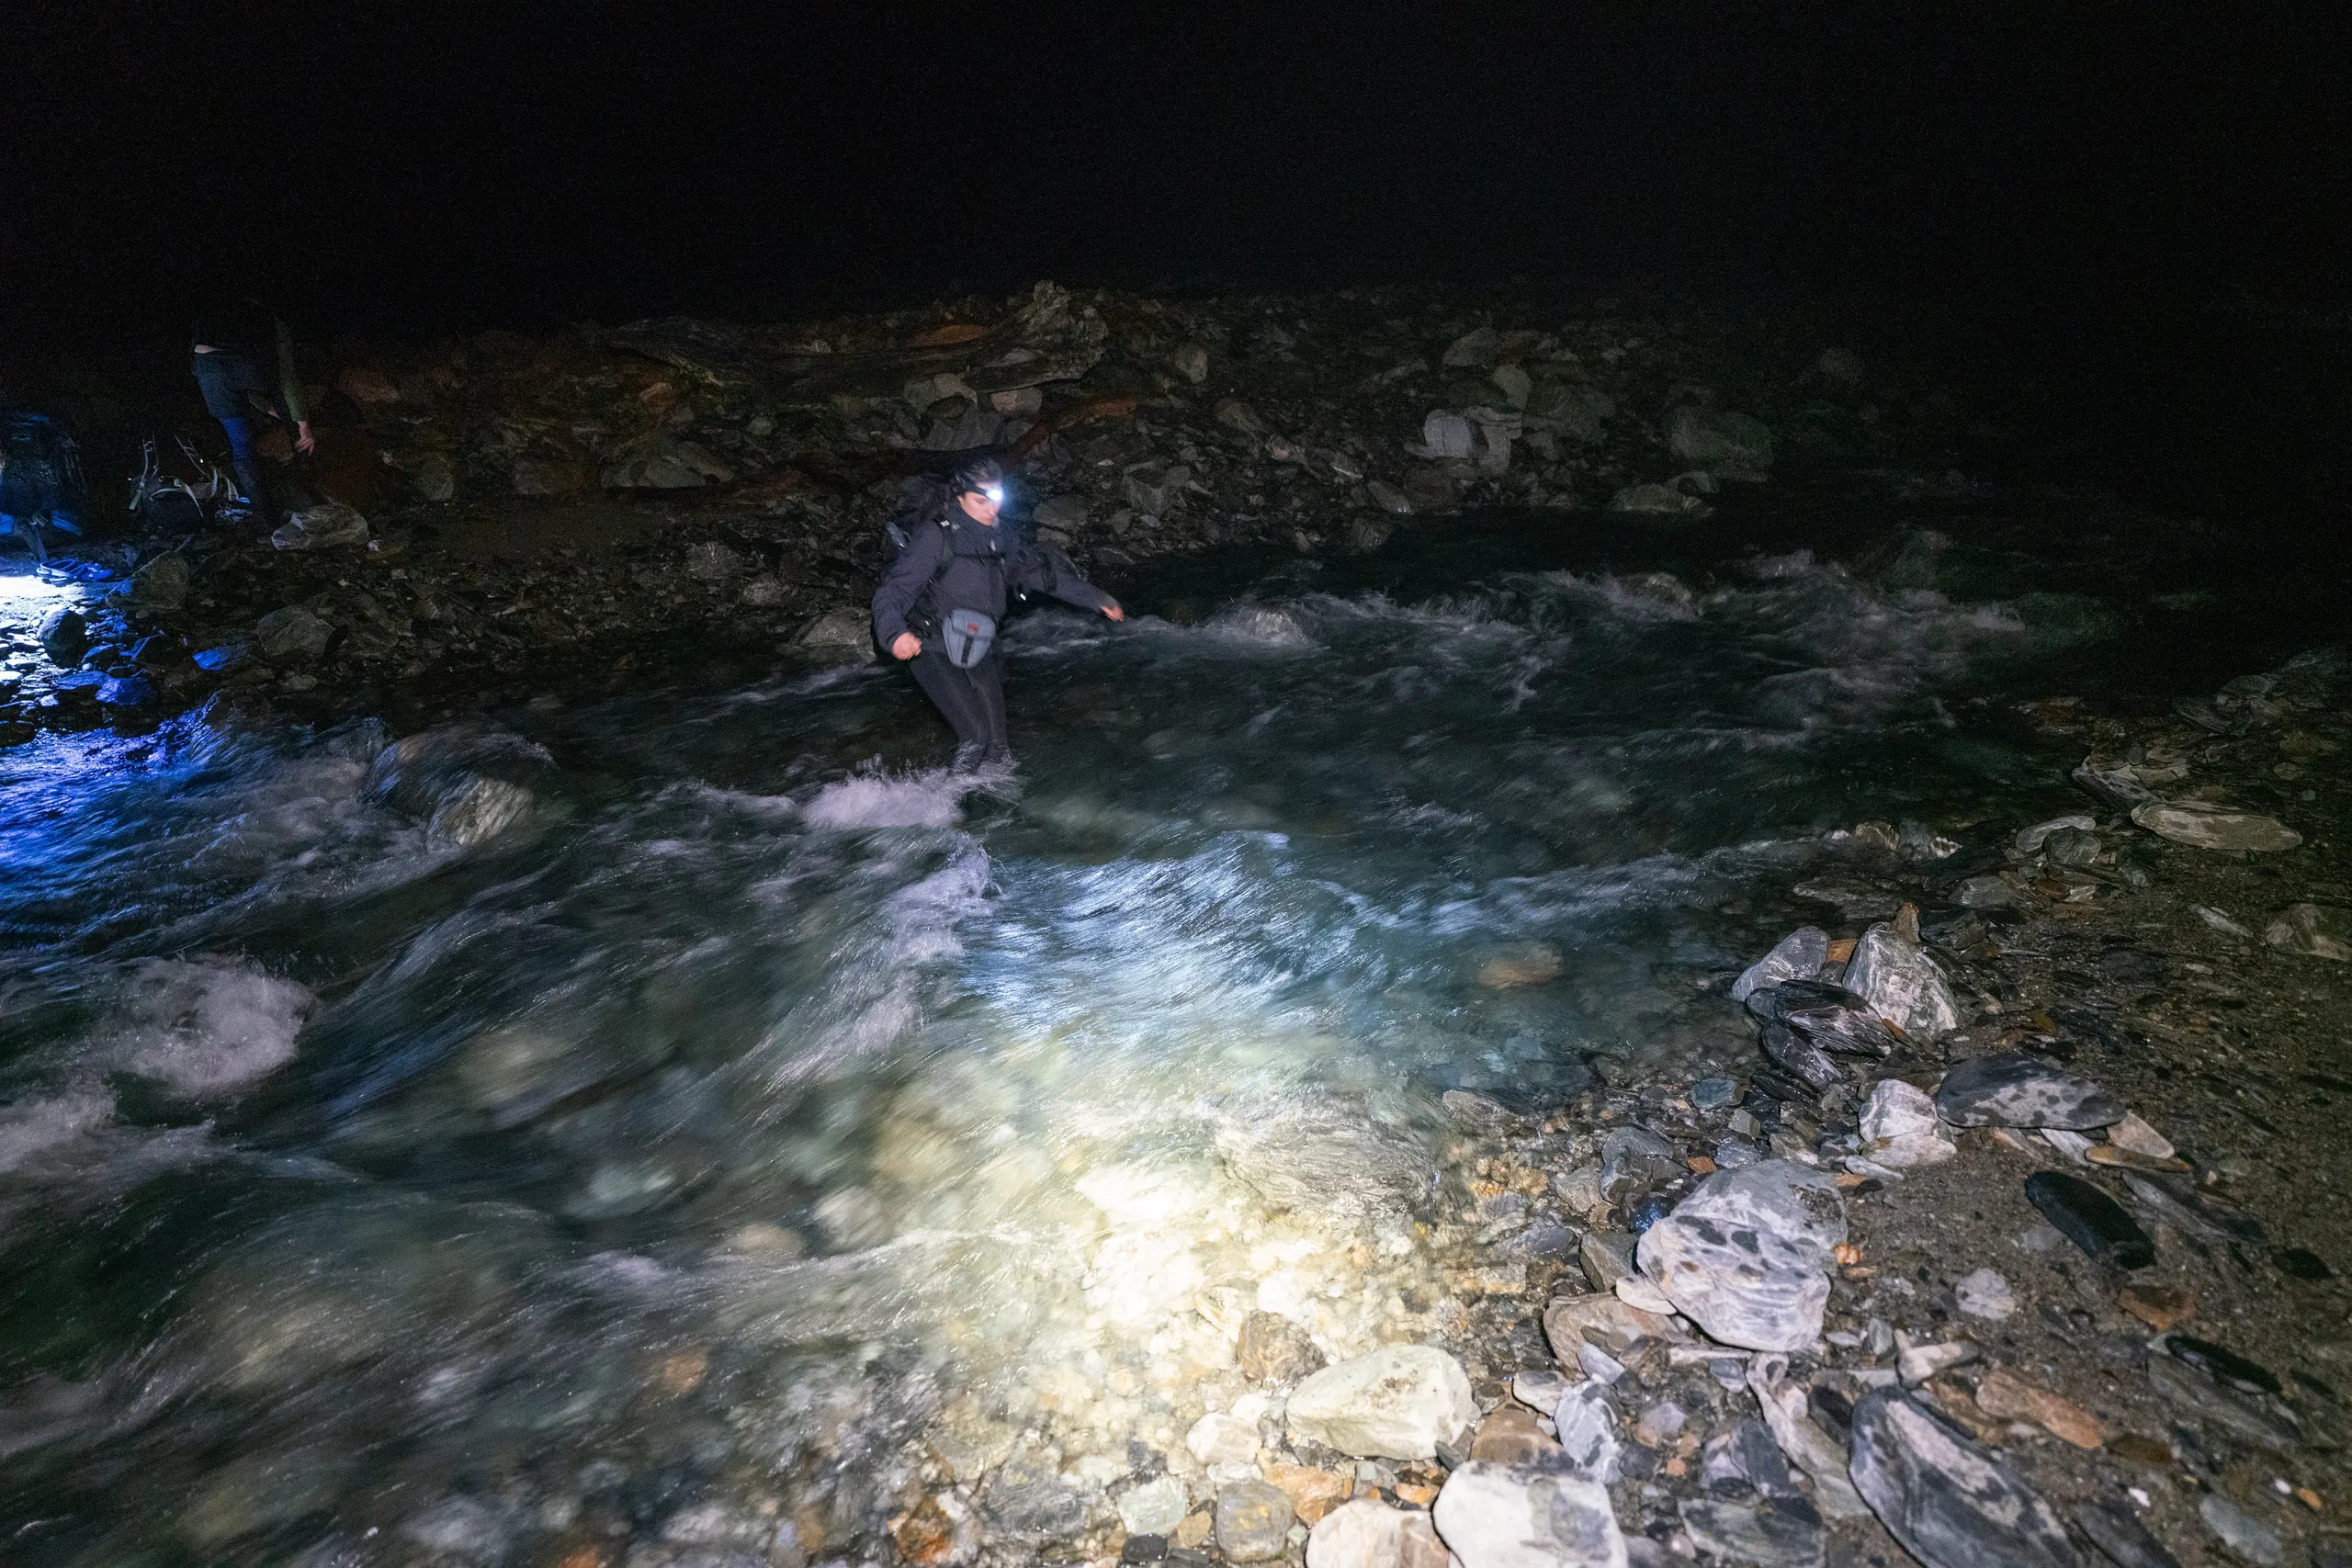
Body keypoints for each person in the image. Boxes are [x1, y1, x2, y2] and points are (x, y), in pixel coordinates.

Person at [871, 456, 1124, 763]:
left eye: (997, 499)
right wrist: (894, 634)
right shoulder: (936, 536)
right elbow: (894, 591)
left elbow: (1040, 576)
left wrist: (1098, 598)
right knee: (976, 737)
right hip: (931, 646)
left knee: (998, 745)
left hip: (978, 644)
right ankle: (949, 795)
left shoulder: (1002, 537)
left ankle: (992, 794)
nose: (992, 510)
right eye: (981, 501)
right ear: (959, 496)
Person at [190, 300, 312, 524]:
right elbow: (286, 378)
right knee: (282, 394)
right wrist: (303, 423)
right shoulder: (271, 321)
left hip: (208, 370)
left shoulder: (211, 314)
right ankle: (307, 475)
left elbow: (231, 378)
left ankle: (266, 519)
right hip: (237, 367)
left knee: (242, 448)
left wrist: (266, 408)